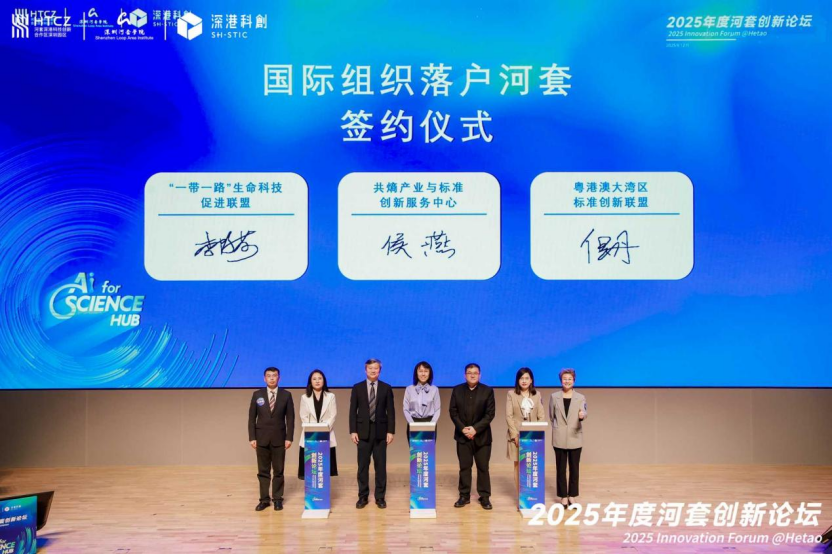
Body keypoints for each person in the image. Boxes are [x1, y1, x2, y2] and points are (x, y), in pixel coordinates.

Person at [349, 358, 395, 509]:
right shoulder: (357, 388)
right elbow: (352, 411)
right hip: (362, 433)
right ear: (365, 370)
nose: (373, 371)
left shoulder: (386, 388)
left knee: (380, 467)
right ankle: (363, 496)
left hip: (381, 432)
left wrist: (391, 431)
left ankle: (380, 497)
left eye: (376, 368)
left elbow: (391, 412)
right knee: (362, 466)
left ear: (380, 371)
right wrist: (353, 430)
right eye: (370, 368)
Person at [449, 363, 495, 510]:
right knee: (464, 467)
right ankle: (464, 495)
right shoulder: (457, 390)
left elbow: (490, 414)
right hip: (462, 436)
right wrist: (463, 429)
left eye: (475, 373)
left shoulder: (487, 391)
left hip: (482, 437)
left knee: (483, 467)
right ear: (465, 375)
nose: (472, 375)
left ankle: (485, 497)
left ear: (480, 375)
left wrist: (475, 429)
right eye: (469, 372)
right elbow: (453, 412)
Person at [248, 367, 295, 511]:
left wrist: (289, 437)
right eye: (269, 376)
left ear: (279, 378)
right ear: (264, 378)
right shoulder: (257, 394)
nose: (272, 378)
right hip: (261, 438)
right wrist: (252, 437)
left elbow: (290, 418)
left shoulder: (286, 395)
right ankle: (264, 500)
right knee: (263, 471)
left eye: (274, 375)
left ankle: (277, 499)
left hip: (279, 439)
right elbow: (251, 418)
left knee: (278, 471)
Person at [549, 368, 587, 508]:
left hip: (575, 436)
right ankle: (563, 496)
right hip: (559, 437)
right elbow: (551, 416)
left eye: (570, 379)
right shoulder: (554, 397)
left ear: (574, 381)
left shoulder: (580, 397)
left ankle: (572, 496)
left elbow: (584, 412)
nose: (567, 381)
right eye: (564, 379)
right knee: (560, 469)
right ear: (561, 380)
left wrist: (582, 415)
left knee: (574, 469)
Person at [506, 367, 546, 500]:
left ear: (531, 380)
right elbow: (509, 416)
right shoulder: (511, 394)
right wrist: (514, 435)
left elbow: (541, 416)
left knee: (532, 466)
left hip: (533, 437)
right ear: (517, 380)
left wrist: (536, 434)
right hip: (516, 437)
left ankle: (533, 497)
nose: (524, 381)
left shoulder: (537, 395)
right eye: (521, 378)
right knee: (519, 466)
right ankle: (521, 498)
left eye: (527, 378)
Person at [297, 369, 338, 480]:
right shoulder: (305, 397)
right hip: (310, 436)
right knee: (311, 469)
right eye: (314, 379)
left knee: (323, 470)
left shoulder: (331, 396)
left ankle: (322, 490)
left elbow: (333, 415)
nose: (317, 381)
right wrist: (313, 430)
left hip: (326, 434)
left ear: (324, 381)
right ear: (310, 382)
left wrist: (324, 429)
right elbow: (303, 416)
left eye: (320, 378)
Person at [403, 361, 440, 443]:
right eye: (420, 371)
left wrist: (432, 425)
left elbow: (437, 409)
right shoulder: (409, 389)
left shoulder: (434, 389)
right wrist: (412, 425)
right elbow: (405, 409)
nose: (423, 374)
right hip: (413, 422)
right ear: (416, 373)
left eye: (426, 371)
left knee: (427, 451)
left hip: (430, 423)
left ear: (430, 373)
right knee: (416, 451)